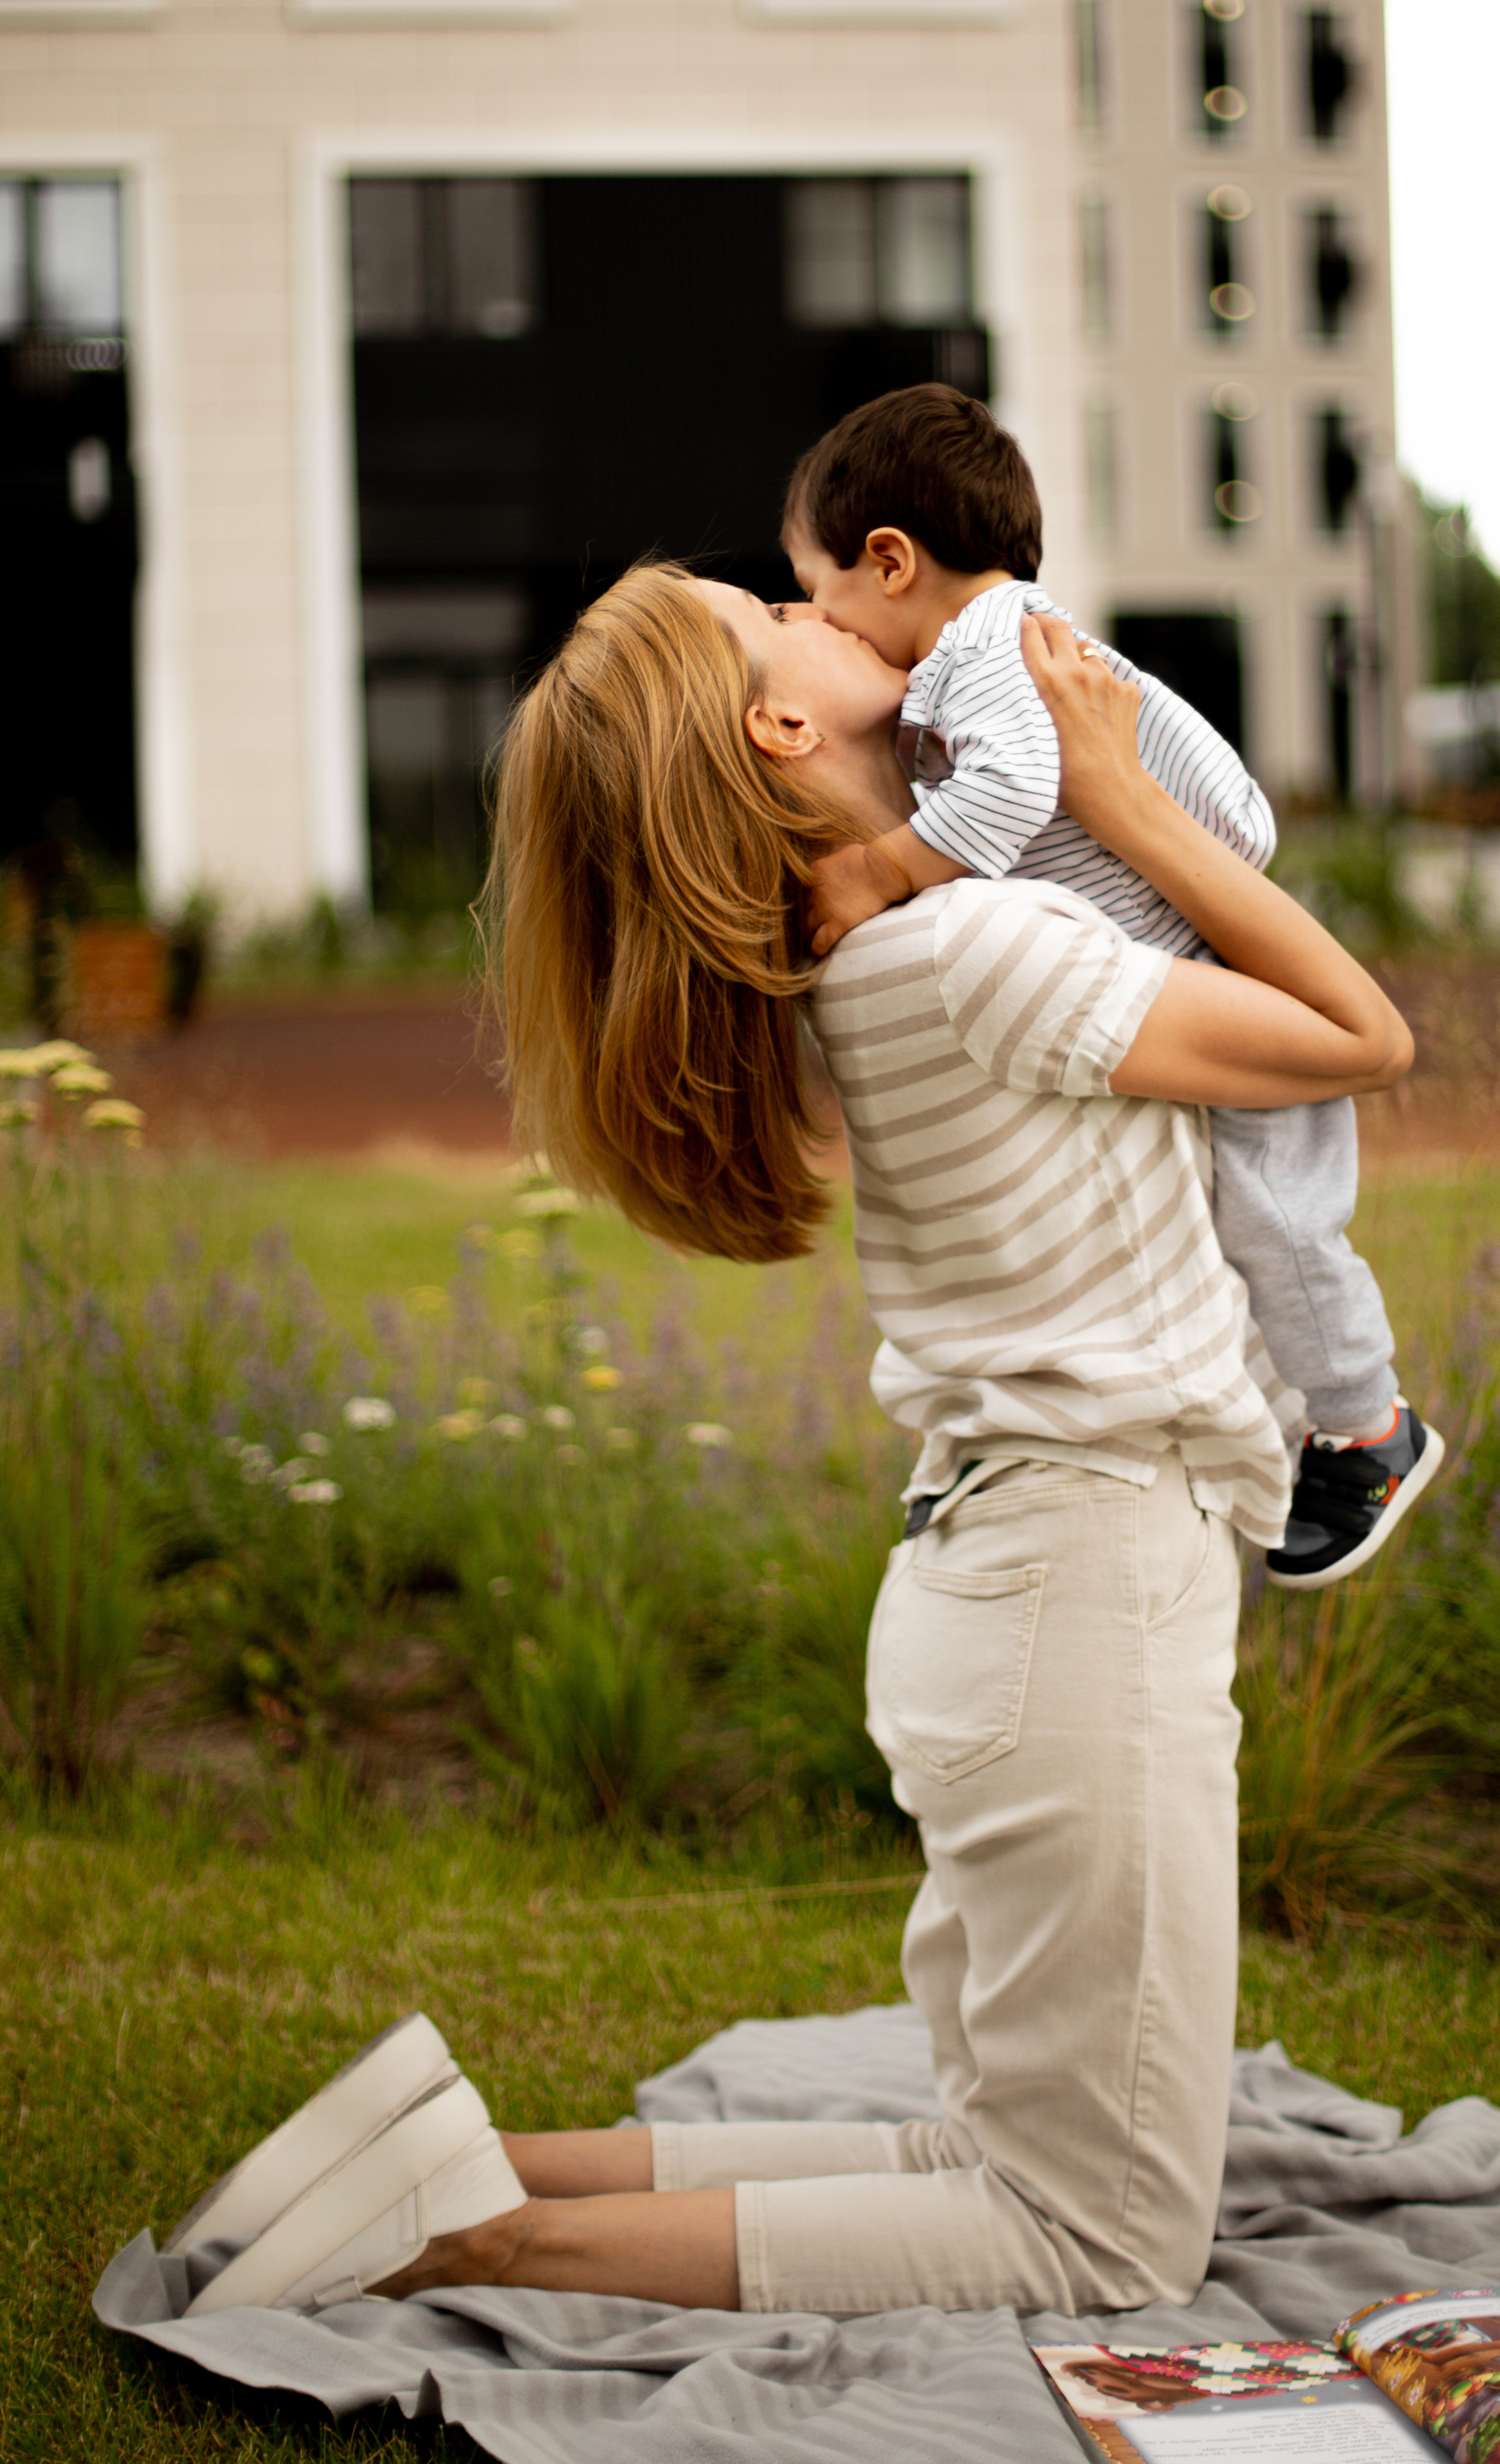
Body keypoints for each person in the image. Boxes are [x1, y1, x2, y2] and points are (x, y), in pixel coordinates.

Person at [168, 564, 1413, 2327]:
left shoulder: (889, 953)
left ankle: (459, 2161)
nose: (862, 621)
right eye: (796, 614)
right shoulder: (981, 951)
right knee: (1102, 2239)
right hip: (1086, 1589)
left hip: (1012, 1591)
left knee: (981, 2156)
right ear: (785, 721)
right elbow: (1361, 1037)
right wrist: (1123, 794)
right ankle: (465, 2242)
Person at [783, 382, 1443, 1589]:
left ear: (888, 561)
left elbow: (1025, 787)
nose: (814, 618)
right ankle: (1303, 1424)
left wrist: (883, 866)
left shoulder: (990, 652)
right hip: (1185, 939)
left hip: (1212, 949)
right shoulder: (983, 654)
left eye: (816, 593)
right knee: (1235, 1219)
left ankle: (1367, 1429)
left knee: (1281, 1220)